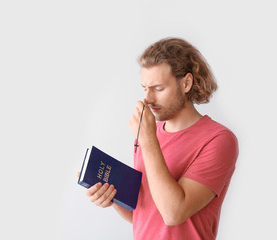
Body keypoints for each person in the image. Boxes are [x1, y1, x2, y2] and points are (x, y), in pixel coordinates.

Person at [83, 37, 238, 240]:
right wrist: (112, 198)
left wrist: (147, 140)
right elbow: (145, 215)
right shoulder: (148, 133)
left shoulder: (219, 139)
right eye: (145, 88)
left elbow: (173, 213)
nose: (148, 98)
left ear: (186, 83)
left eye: (158, 88)